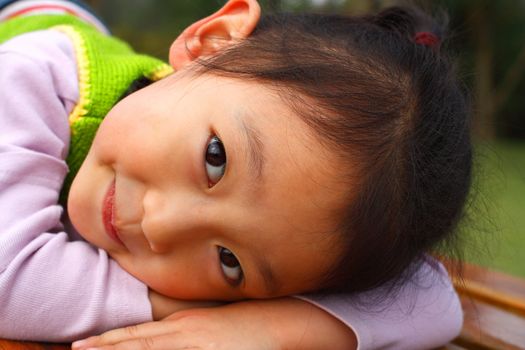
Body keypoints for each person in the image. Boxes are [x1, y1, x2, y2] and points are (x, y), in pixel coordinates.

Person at [0, 0, 469, 348]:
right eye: (215, 159)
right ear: (213, 42)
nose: (160, 225)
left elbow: (431, 301)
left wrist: (271, 329)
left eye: (230, 261)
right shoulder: (33, 76)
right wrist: (189, 308)